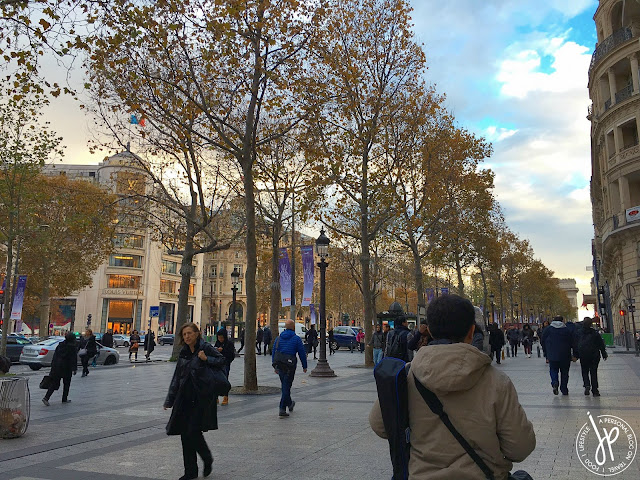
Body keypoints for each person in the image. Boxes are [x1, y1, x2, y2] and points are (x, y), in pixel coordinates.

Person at [369, 294, 536, 479]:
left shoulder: (407, 376)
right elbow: (520, 447)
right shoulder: (497, 382)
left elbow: (380, 425)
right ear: (472, 331)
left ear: (430, 331)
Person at [164, 322, 225, 480]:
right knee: (185, 434)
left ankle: (207, 458)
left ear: (197, 334)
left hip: (201, 397)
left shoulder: (205, 348)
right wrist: (170, 399)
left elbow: (222, 361)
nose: (187, 336)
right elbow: (177, 377)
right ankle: (190, 471)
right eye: (184, 334)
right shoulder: (183, 352)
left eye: (190, 333)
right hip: (184, 398)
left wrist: (206, 359)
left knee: (192, 431)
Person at [272, 319, 307, 417]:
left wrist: (274, 365)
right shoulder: (296, 339)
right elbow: (302, 353)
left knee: (285, 385)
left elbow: (274, 351)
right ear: (293, 327)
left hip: (279, 365)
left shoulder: (278, 338)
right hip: (290, 366)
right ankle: (282, 408)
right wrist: (304, 366)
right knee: (286, 386)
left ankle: (290, 403)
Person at [541, 315, 577, 396]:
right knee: (564, 372)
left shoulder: (548, 329)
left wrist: (546, 353)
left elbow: (542, 341)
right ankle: (564, 389)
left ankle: (554, 382)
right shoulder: (567, 330)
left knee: (553, 370)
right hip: (565, 355)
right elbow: (573, 342)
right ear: (562, 320)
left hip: (552, 354)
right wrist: (575, 354)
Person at [575, 317, 608, 396]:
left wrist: (576, 355)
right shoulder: (595, 333)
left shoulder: (579, 333)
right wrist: (604, 353)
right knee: (593, 372)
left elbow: (575, 344)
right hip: (594, 355)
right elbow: (601, 344)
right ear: (591, 324)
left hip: (583, 355)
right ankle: (595, 390)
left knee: (584, 371)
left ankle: (586, 385)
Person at [42, 332, 77, 405]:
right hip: (67, 367)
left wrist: (53, 365)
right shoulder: (72, 347)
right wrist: (74, 368)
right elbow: (73, 358)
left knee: (54, 383)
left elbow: (55, 356)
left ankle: (46, 397)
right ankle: (64, 398)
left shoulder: (60, 345)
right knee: (66, 384)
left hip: (57, 367)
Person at [214, 328, 235, 406]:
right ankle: (215, 397)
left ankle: (225, 397)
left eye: (222, 338)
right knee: (215, 380)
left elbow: (231, 355)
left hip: (225, 364)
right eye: (219, 338)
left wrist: (223, 351)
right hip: (217, 364)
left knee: (224, 380)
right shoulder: (217, 343)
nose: (220, 339)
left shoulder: (229, 344)